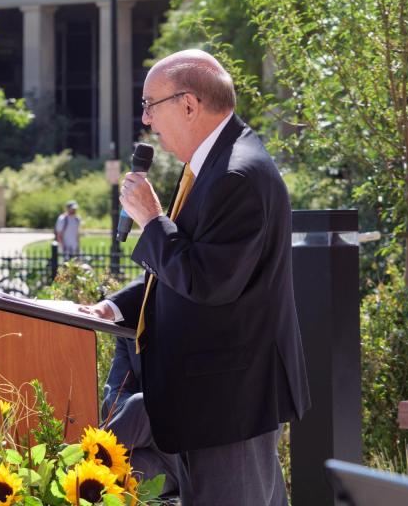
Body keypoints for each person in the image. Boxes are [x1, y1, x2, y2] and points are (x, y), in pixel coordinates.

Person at [80, 49, 311, 506]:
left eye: (150, 104)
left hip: (231, 400)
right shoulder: (211, 164)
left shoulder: (236, 174)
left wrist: (150, 220)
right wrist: (118, 305)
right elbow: (192, 256)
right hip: (208, 396)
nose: (146, 119)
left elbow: (209, 280)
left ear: (188, 104)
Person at [102, 336, 179, 498]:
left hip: (187, 447)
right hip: (149, 453)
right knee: (103, 486)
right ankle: (79, 472)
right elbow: (115, 391)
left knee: (146, 404)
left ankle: (79, 461)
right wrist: (128, 416)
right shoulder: (131, 322)